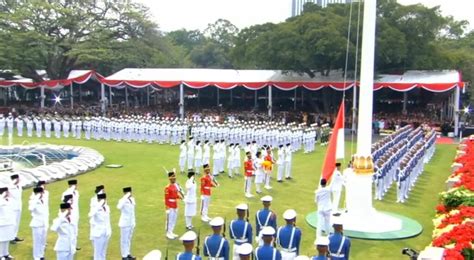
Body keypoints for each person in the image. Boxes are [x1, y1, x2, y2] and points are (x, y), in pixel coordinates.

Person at [89, 193, 111, 260]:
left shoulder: (107, 207)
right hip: (98, 233)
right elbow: (90, 214)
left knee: (103, 252)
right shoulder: (95, 208)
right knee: (97, 253)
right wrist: (99, 204)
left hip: (106, 232)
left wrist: (109, 231)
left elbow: (107, 220)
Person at [117, 187, 136, 260]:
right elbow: (118, 206)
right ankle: (124, 256)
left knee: (128, 239)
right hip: (125, 223)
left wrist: (134, 222)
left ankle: (128, 253)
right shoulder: (122, 200)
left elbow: (132, 212)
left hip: (131, 222)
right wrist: (125, 197)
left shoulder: (132, 199)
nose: (131, 193)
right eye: (129, 192)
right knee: (124, 240)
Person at [29, 187, 48, 260]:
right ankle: (36, 257)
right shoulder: (33, 200)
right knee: (37, 242)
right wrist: (36, 197)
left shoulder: (42, 200)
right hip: (37, 224)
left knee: (42, 241)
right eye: (42, 192)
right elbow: (31, 208)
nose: (43, 193)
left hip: (43, 223)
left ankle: (41, 255)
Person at [61, 179, 80, 250]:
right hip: (70, 214)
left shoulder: (76, 192)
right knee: (71, 230)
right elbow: (64, 201)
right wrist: (71, 189)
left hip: (76, 213)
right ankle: (70, 245)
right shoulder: (66, 193)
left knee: (75, 230)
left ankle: (74, 244)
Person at [165, 170, 182, 239]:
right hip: (170, 205)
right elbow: (166, 198)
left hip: (175, 204)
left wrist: (179, 197)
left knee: (174, 219)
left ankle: (171, 231)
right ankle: (168, 233)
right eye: (172, 176)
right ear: (169, 178)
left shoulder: (175, 186)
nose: (174, 178)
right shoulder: (167, 187)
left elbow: (175, 195)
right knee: (170, 219)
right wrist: (167, 208)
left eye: (174, 176)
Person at [0, 187, 14, 260]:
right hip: (2, 223)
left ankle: (6, 254)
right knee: (2, 240)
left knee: (7, 239)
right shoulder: (0, 200)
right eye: (7, 192)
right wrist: (2, 196)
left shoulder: (9, 200)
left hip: (9, 222)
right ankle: (1, 255)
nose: (8, 193)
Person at [9, 174, 23, 244]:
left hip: (19, 206)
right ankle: (11, 238)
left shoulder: (19, 186)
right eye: (18, 178)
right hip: (13, 207)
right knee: (13, 223)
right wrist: (14, 182)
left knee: (17, 222)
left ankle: (14, 236)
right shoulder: (10, 186)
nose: (19, 179)